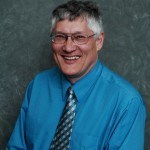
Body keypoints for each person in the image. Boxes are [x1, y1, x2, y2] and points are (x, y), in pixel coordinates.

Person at [7, 0, 146, 149]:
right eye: (60, 36)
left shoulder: (126, 102)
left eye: (79, 37)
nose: (68, 47)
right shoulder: (38, 85)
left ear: (98, 41)